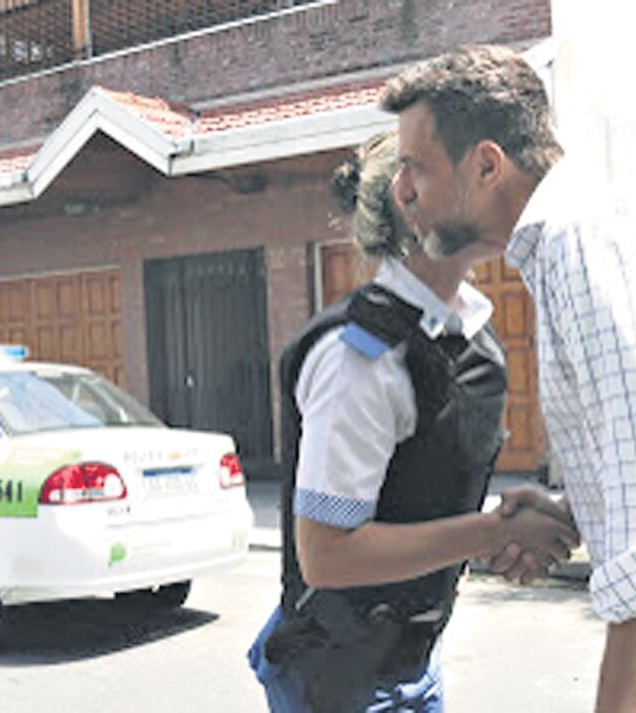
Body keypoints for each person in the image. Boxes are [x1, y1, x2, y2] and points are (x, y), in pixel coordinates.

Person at [247, 131, 578, 712]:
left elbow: (421, 501)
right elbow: (327, 556)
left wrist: (506, 531)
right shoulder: (359, 361)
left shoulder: (471, 340)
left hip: (410, 660)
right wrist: (495, 532)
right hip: (339, 678)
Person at [382, 43, 636, 712]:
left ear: (487, 164)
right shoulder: (569, 240)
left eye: (415, 166)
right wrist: (572, 511)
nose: (402, 189)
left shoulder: (579, 245)